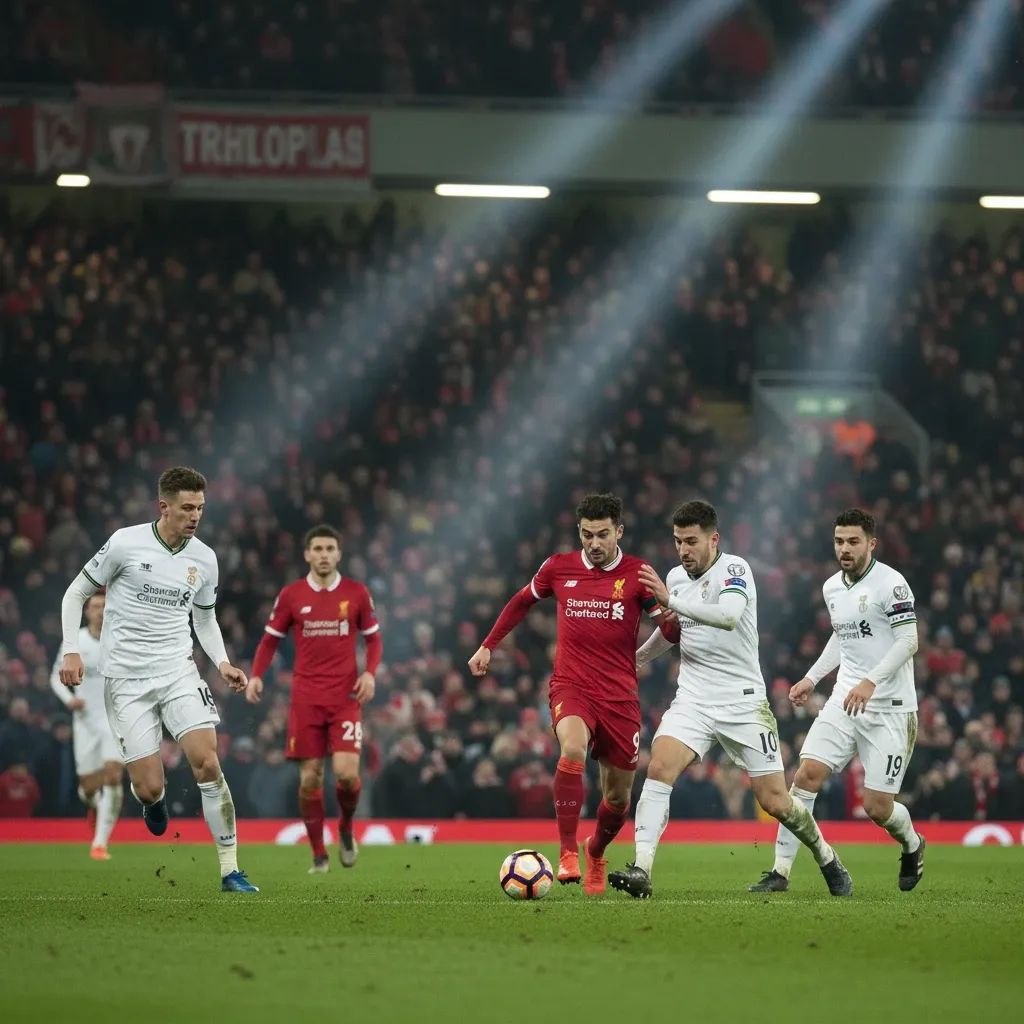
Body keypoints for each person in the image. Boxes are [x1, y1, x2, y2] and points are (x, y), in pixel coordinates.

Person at [609, 500, 852, 899]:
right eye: (677, 542)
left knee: (775, 801)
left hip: (743, 703)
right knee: (658, 770)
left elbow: (728, 616)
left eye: (691, 541)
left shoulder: (735, 570)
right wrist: (635, 659)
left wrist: (671, 601)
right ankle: (642, 869)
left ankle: (826, 856)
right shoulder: (675, 577)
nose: (683, 550)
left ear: (713, 539)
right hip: (692, 700)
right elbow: (672, 632)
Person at [58, 466, 258, 893]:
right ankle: (154, 802)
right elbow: (75, 592)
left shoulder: (204, 559)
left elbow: (204, 618)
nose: (195, 516)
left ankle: (230, 870)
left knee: (207, 761)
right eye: (187, 507)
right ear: (163, 507)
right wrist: (72, 649)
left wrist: (222, 662)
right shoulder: (125, 543)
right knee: (148, 787)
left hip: (177, 672)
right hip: (126, 681)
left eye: (201, 508)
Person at [469, 493, 666, 895]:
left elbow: (673, 633)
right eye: (587, 534)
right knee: (571, 750)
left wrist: (668, 603)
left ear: (619, 532)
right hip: (571, 686)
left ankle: (594, 849)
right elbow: (522, 602)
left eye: (602, 535)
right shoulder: (558, 567)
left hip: (620, 697)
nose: (594, 543)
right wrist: (489, 644)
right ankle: (566, 853)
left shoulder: (639, 574)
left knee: (617, 800)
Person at [748, 508, 925, 893]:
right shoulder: (832, 587)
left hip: (890, 708)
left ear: (871, 543)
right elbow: (842, 637)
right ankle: (780, 872)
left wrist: (871, 682)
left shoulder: (891, 584)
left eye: (853, 541)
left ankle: (913, 844)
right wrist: (813, 677)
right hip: (846, 699)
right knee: (805, 776)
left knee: (878, 808)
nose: (844, 548)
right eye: (839, 541)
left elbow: (909, 641)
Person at [246, 524, 381, 873]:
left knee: (347, 776)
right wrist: (257, 676)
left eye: (329, 549)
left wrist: (370, 673)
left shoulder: (356, 593)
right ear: (307, 553)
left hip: (346, 697)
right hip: (305, 699)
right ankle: (319, 854)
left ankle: (347, 827)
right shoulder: (291, 595)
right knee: (310, 779)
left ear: (339, 554)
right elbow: (269, 640)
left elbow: (374, 640)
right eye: (317, 548)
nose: (323, 555)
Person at [49, 592, 124, 859]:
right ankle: (94, 804)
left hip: (114, 718)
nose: (101, 610)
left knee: (114, 774)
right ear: (87, 611)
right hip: (85, 721)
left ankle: (99, 843)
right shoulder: (76, 640)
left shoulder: (121, 638)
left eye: (105, 605)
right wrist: (69, 701)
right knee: (89, 788)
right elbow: (56, 678)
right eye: (95, 606)